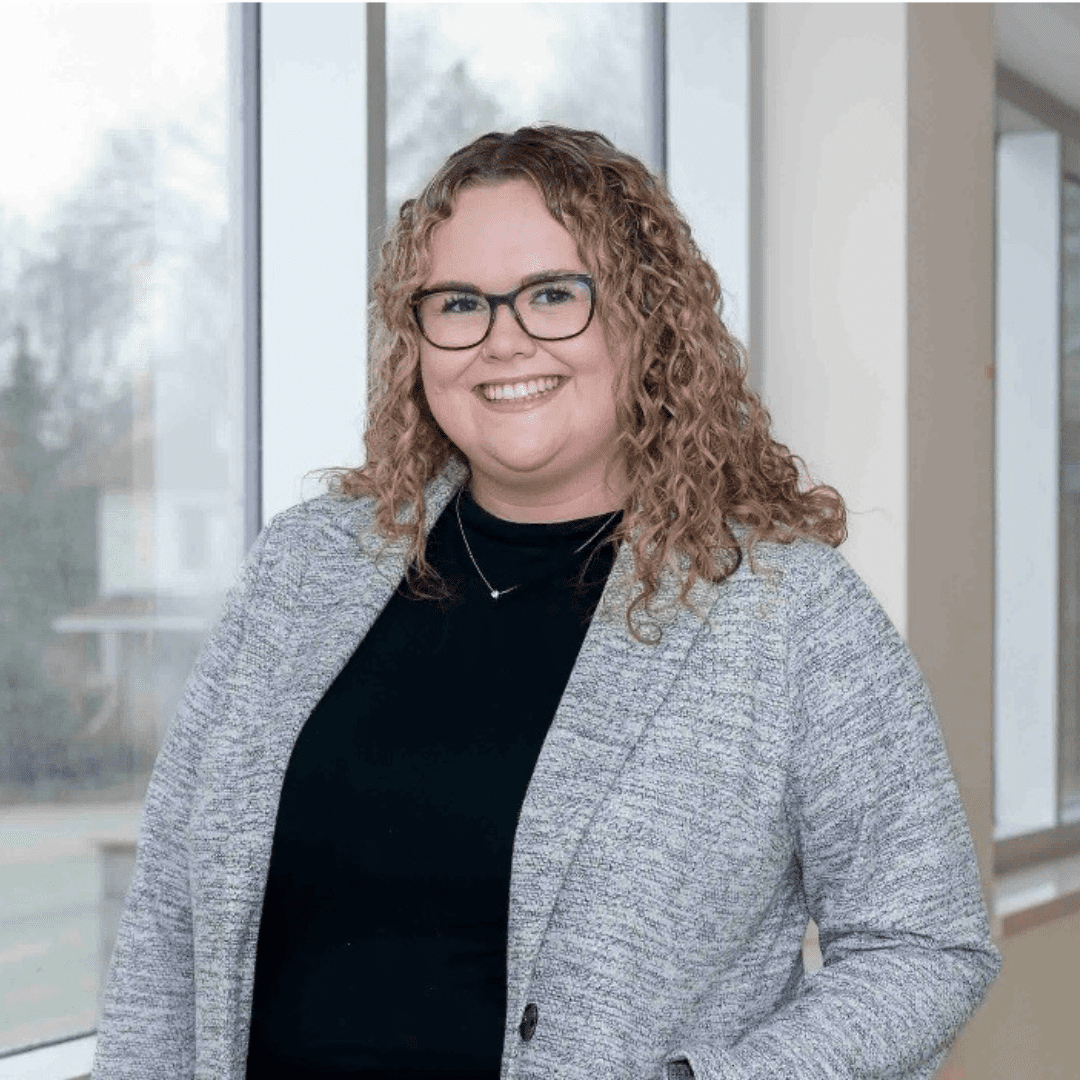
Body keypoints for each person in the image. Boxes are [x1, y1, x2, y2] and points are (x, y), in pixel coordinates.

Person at [92, 125, 1001, 1080]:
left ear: (647, 320)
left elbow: (924, 947)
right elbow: (168, 917)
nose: (503, 340)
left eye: (555, 295)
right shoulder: (303, 570)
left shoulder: (784, 610)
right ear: (417, 340)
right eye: (458, 304)